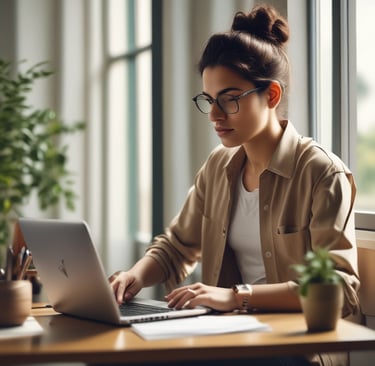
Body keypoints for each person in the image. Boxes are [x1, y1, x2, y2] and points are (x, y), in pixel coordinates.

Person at [110, 4, 360, 366]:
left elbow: (339, 288)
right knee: (115, 352)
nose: (214, 114)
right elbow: (176, 247)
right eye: (209, 100)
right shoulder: (218, 166)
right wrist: (134, 276)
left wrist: (236, 296)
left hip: (296, 348)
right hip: (226, 336)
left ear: (271, 96)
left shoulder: (321, 173)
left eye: (229, 99)